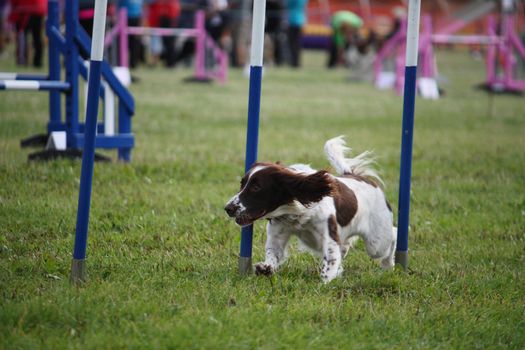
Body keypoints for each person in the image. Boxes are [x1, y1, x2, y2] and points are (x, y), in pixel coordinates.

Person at [9, 0, 46, 67]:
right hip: (38, 9)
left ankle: (22, 61)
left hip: (24, 10)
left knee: (22, 36)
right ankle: (37, 62)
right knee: (37, 37)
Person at [118, 0, 145, 68]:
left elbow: (142, 9)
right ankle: (122, 63)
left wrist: (141, 23)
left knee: (135, 43)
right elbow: (119, 6)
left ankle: (133, 63)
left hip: (137, 19)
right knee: (124, 43)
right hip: (125, 19)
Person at [285, 0, 307, 67]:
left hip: (292, 21)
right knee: (297, 44)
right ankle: (296, 62)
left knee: (292, 44)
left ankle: (294, 62)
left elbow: (287, 4)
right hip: (301, 21)